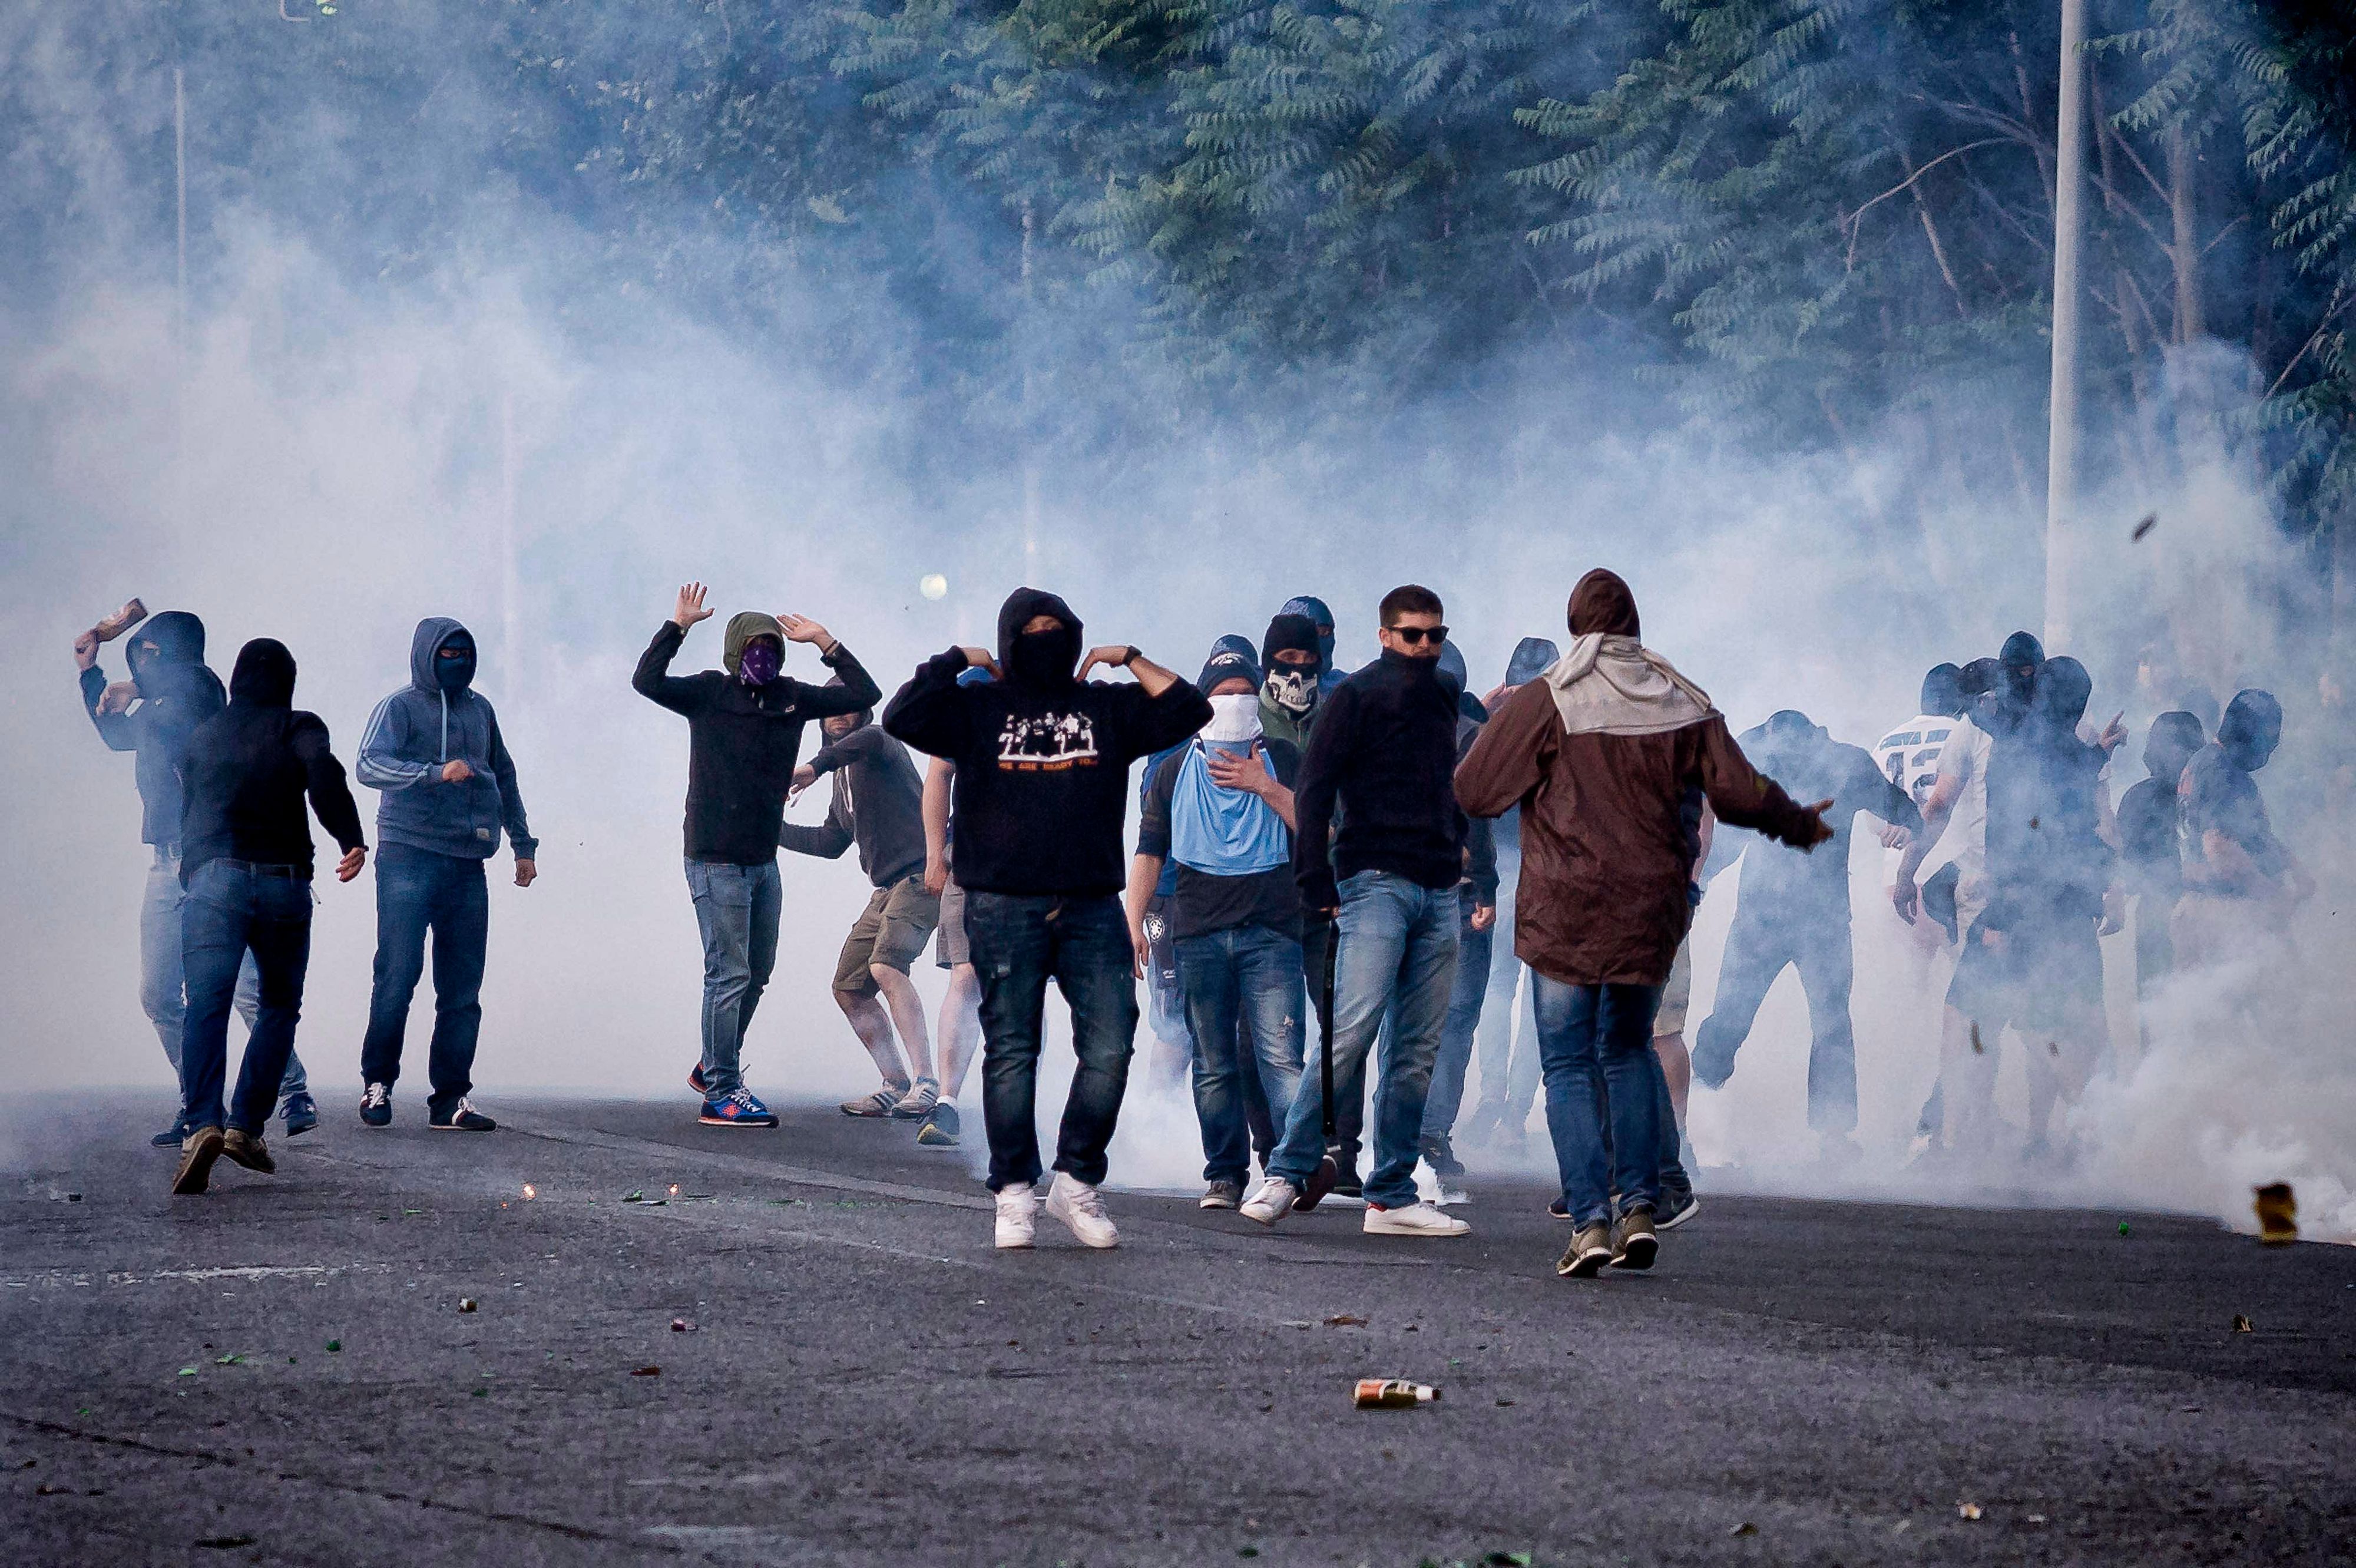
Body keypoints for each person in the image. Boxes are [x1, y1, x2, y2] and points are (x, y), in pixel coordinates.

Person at [1455, 570, 1829, 1278]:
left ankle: (1590, 1221)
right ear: (1633, 623)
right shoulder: (1679, 698)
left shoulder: (1548, 698)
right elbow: (1737, 788)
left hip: (1563, 912)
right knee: (1628, 1050)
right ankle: (1638, 1207)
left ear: (1575, 625)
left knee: (1567, 1064)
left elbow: (1474, 788)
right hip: (1646, 915)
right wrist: (1795, 821)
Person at [883, 588, 1210, 1250]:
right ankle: (1012, 1194)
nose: (1043, 637)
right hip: (1003, 905)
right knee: (1011, 1052)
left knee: (1113, 1044)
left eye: (1054, 628)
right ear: (1008, 642)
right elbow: (902, 714)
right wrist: (955, 658)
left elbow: (1189, 707)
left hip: (1090, 902)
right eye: (1029, 630)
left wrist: (1131, 658)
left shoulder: (1107, 706)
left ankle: (1076, 1182)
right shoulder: (977, 707)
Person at [1240, 584, 1474, 1239]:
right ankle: (1286, 1171)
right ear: (1384, 635)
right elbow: (1313, 787)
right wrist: (1314, 876)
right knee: (1349, 1033)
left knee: (1416, 1049)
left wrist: (1461, 853)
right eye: (1411, 634)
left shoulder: (1441, 699)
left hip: (1436, 891)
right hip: (1373, 882)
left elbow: (1447, 784)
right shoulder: (1355, 696)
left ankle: (1391, 1192)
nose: (1424, 646)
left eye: (1434, 634)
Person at [634, 583, 880, 1129]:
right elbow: (646, 681)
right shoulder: (708, 692)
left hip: (761, 860)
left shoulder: (793, 696)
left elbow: (866, 693)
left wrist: (825, 642)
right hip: (714, 856)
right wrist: (677, 627)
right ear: (734, 653)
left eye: (772, 647)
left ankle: (713, 1064)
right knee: (729, 973)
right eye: (754, 648)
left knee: (757, 971)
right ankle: (721, 1091)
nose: (763, 657)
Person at [77, 609, 310, 1144]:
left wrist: (130, 684)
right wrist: (91, 676)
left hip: (214, 859)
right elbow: (118, 736)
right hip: (166, 860)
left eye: (151, 653)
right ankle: (198, 1107)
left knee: (249, 989)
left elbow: (183, 696)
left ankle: (294, 1091)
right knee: (160, 994)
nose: (144, 661)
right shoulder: (157, 704)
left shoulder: (202, 692)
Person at [168, 639, 368, 1195]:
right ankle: (245, 1129)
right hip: (282, 883)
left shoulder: (203, 734)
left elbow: (185, 806)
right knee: (278, 1007)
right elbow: (324, 776)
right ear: (288, 682)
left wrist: (194, 871)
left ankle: (200, 1124)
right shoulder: (298, 725)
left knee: (205, 1005)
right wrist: (350, 839)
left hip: (214, 880)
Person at [1690, 710, 1920, 1148]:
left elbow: (1906, 812)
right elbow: (1906, 811)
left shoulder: (1834, 765)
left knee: (1808, 1021)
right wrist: (1694, 883)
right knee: (1775, 1018)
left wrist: (1914, 836)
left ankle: (1703, 1107)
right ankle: (1698, 1108)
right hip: (1787, 918)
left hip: (1794, 920)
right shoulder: (1835, 764)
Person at [1129, 644, 1306, 1210]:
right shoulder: (1174, 769)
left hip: (1272, 932)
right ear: (1204, 701)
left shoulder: (1285, 758)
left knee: (1279, 1055)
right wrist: (1132, 922)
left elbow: (1319, 829)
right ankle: (1224, 1175)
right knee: (1210, 1059)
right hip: (1195, 932)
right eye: (1222, 693)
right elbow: (1150, 853)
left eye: (1243, 692)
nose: (1234, 702)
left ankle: (1291, 1167)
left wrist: (1265, 786)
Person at [353, 618, 537, 1133]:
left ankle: (451, 1098)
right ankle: (378, 1083)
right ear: (425, 657)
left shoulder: (481, 712)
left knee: (462, 988)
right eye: (446, 654)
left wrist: (523, 845)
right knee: (398, 973)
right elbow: (368, 764)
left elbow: (504, 774)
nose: (457, 662)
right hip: (407, 855)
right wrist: (433, 773)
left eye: (464, 653)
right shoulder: (400, 707)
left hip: (467, 862)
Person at [782, 682, 942, 1122]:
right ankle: (895, 1083)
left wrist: (813, 767)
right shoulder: (842, 780)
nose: (837, 715)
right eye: (830, 709)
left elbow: (869, 738)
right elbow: (831, 841)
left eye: (848, 707)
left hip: (921, 874)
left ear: (863, 712)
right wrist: (767, 830)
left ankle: (927, 1082)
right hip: (886, 888)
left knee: (886, 966)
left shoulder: (878, 745)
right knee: (850, 987)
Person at [1454, 636, 1558, 1152]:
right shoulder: (1563, 729)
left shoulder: (1490, 731)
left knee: (1500, 993)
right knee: (1527, 1000)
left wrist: (1489, 710)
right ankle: (1511, 1111)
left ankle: (1500, 1103)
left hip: (1511, 874)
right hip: (1537, 877)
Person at [1413, 640, 1497, 1201]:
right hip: (1428, 892)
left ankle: (1425, 1133)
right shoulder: (1470, 732)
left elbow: (1482, 818)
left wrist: (1486, 882)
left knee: (1447, 1022)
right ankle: (1420, 1134)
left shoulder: (1472, 735)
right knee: (1439, 1023)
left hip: (1452, 894)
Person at [912, 666, 1001, 1147]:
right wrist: (934, 856)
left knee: (1020, 981)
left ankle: (1016, 1102)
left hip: (1026, 873)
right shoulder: (964, 705)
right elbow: (937, 776)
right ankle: (947, 1102)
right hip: (965, 863)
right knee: (965, 976)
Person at [2175, 689, 2312, 971]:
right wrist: (2270, 894)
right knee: (2278, 1000)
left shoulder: (2204, 762)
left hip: (2205, 908)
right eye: (2269, 739)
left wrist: (2295, 868)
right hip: (2229, 915)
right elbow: (2220, 849)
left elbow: (2250, 833)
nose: (2270, 750)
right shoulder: (2222, 772)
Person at [2115, 710, 2203, 998]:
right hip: (2191, 908)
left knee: (2157, 999)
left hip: (2159, 909)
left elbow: (2127, 865)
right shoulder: (2203, 797)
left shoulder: (2135, 796)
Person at [1279, 595, 1347, 697]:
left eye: (1323, 632)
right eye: (1305, 634)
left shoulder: (1347, 687)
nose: (1315, 641)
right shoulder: (1256, 684)